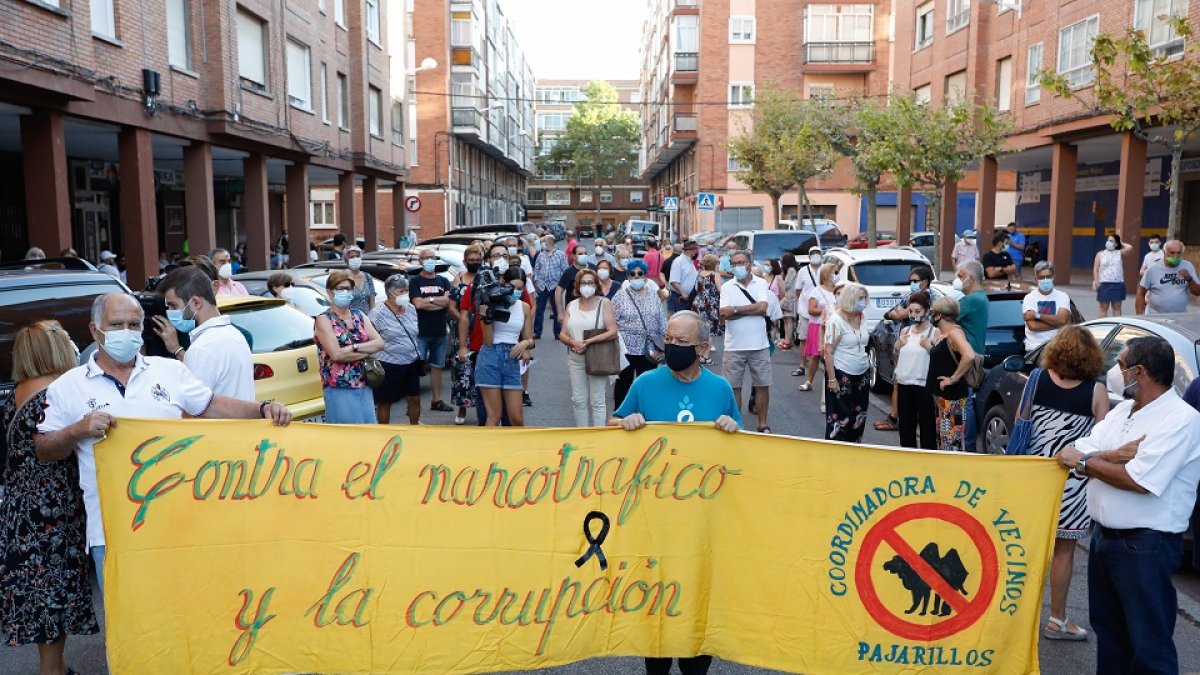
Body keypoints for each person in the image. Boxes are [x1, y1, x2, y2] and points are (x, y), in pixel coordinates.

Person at [35, 294, 292, 589]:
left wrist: (262, 410)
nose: (126, 331)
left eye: (133, 324)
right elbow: (44, 449)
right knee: (129, 626)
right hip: (112, 532)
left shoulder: (169, 371)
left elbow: (210, 405)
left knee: (186, 616)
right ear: (95, 330)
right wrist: (76, 430)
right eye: (116, 324)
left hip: (180, 526)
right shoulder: (68, 386)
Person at [1056, 336, 1200, 674]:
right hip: (1104, 540)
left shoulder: (1180, 420)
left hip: (1146, 546)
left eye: (1120, 366)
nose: (1114, 373)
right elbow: (1075, 449)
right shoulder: (1123, 410)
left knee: (1149, 646)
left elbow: (1138, 481)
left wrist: (1085, 462)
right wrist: (1106, 457)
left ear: (1140, 371)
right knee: (1110, 638)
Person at [607, 310, 738, 675]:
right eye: (668, 339)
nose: (671, 346)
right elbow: (610, 425)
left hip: (703, 523)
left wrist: (731, 427)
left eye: (681, 342)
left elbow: (744, 451)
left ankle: (696, 662)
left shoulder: (721, 389)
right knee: (659, 608)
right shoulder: (645, 383)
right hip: (656, 521)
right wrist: (624, 422)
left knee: (697, 604)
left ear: (703, 348)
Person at [1, 322, 98, 673]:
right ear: (54, 349)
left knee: (42, 603)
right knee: (52, 599)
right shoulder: (55, 394)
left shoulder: (15, 393)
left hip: (20, 512)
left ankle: (55, 667)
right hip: (53, 515)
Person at [1021, 326, 1109, 642]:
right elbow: (1102, 442)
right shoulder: (1096, 392)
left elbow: (1022, 426)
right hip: (1072, 486)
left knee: (1026, 548)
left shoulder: (1036, 380)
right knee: (1063, 553)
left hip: (1033, 478)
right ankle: (1057, 621)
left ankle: (1016, 618)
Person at [151, 266, 255, 401]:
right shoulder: (235, 335)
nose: (170, 311)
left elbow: (194, 408)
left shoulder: (202, 348)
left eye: (173, 305)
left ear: (195, 303)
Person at [314, 271, 386, 423]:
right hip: (340, 386)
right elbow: (337, 355)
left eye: (348, 288)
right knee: (349, 437)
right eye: (340, 289)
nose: (345, 293)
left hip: (364, 383)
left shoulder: (359, 315)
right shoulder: (324, 320)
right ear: (329, 291)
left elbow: (380, 343)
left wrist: (352, 348)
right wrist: (365, 348)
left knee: (368, 432)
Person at [876, 266, 939, 432]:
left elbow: (907, 314)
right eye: (910, 281)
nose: (912, 283)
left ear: (925, 282)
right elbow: (889, 313)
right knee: (899, 382)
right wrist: (898, 314)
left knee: (918, 391)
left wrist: (902, 313)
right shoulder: (909, 296)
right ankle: (896, 418)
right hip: (904, 347)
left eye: (915, 281)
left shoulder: (932, 297)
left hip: (921, 352)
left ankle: (901, 419)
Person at [718, 250, 773, 433]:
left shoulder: (761, 283)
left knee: (762, 386)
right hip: (734, 346)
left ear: (749, 264)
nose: (736, 267)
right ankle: (737, 424)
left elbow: (763, 307)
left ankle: (762, 424)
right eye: (733, 263)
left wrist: (735, 310)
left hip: (759, 344)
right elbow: (724, 315)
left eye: (740, 262)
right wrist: (751, 309)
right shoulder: (727, 287)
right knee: (734, 388)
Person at [559, 269, 618, 427]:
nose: (587, 286)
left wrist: (589, 341)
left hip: (597, 357)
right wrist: (573, 342)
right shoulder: (572, 305)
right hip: (575, 358)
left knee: (597, 400)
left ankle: (598, 438)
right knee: (578, 400)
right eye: (584, 283)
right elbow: (562, 334)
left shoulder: (604, 303)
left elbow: (613, 331)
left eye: (590, 282)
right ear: (578, 285)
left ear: (596, 285)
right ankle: (582, 435)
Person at [476, 268, 535, 426]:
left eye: (520, 288)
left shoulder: (524, 308)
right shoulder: (491, 302)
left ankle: (514, 450)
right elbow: (488, 341)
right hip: (491, 356)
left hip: (512, 358)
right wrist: (487, 317)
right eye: (512, 287)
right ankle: (489, 451)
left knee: (517, 418)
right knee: (494, 416)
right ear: (503, 285)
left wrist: (525, 343)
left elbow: (530, 338)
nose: (515, 291)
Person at [612, 259, 668, 407]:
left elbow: (661, 318)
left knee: (647, 383)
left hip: (649, 349)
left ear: (645, 276)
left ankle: (646, 414)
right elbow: (611, 321)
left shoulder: (653, 295)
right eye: (632, 274)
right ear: (628, 277)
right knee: (623, 384)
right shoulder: (620, 296)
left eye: (640, 273)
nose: (636, 277)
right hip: (626, 349)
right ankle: (620, 415)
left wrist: (668, 340)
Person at [369, 275, 423, 425]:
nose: (405, 294)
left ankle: (414, 428)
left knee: (415, 398)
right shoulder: (377, 313)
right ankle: (384, 433)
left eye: (407, 290)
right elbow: (371, 338)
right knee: (385, 402)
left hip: (410, 361)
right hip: (388, 363)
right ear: (389, 293)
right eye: (401, 291)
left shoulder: (410, 309)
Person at [926, 296, 977, 452]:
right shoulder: (948, 333)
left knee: (951, 445)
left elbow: (969, 355)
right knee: (944, 443)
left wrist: (952, 379)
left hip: (952, 400)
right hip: (943, 400)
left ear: (939, 315)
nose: (931, 315)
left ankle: (952, 476)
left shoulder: (955, 333)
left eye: (933, 312)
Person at [823, 282, 871, 442]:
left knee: (859, 415)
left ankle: (855, 449)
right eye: (860, 298)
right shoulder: (835, 321)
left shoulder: (861, 317)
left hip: (862, 372)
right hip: (842, 372)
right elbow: (828, 351)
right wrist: (831, 379)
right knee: (840, 417)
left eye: (864, 298)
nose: (863, 302)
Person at [410, 249, 454, 412]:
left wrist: (428, 301)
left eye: (432, 258)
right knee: (416, 368)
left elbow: (448, 303)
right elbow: (418, 304)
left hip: (439, 331)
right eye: (426, 258)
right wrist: (437, 301)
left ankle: (436, 400)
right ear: (420, 261)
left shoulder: (443, 281)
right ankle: (413, 402)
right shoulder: (415, 281)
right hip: (420, 331)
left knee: (437, 366)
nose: (430, 260)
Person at [893, 292, 938, 449]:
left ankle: (927, 460)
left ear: (926, 311)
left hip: (924, 385)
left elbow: (938, 358)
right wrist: (898, 345)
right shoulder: (905, 331)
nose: (913, 315)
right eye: (911, 311)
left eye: (917, 311)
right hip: (904, 383)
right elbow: (897, 355)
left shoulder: (933, 332)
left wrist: (930, 347)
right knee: (906, 426)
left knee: (927, 427)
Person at [954, 260, 989, 452]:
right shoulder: (981, 298)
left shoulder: (970, 301)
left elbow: (945, 314)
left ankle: (966, 447)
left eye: (960, 276)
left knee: (965, 403)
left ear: (971, 278)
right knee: (969, 402)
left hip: (968, 357)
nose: (957, 280)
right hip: (977, 356)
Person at [450, 245, 485, 425]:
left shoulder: (485, 279)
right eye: (471, 261)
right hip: (462, 333)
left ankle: (485, 408)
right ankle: (462, 408)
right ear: (464, 262)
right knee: (463, 371)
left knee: (483, 371)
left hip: (484, 331)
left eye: (478, 260)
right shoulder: (459, 279)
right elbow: (451, 306)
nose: (475, 263)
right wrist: (466, 324)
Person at [799, 263, 838, 392]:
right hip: (818, 325)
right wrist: (827, 311)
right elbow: (811, 309)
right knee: (815, 355)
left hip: (834, 326)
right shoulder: (816, 291)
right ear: (827, 274)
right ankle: (809, 381)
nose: (837, 275)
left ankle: (832, 380)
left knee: (832, 354)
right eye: (834, 272)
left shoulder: (838, 290)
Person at [1137, 239, 1200, 314]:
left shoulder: (1187, 266)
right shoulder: (1153, 269)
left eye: (1179, 253)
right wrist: (1140, 315)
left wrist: (1189, 279)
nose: (1175, 256)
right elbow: (1141, 294)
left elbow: (1197, 292)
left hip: (1179, 317)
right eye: (1172, 253)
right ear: (1164, 252)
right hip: (1155, 316)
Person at [1023, 261, 1071, 352]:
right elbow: (1033, 326)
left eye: (1048, 276)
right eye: (1041, 277)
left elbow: (1062, 320)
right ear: (1036, 279)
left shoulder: (1063, 296)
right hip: (1035, 348)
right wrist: (1058, 324)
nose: (1045, 280)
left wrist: (1037, 315)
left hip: (1058, 347)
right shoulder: (1029, 298)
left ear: (1053, 277)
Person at [792, 249, 823, 377]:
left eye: (818, 253)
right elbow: (798, 290)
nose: (815, 256)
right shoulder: (803, 272)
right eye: (813, 254)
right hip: (806, 312)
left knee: (820, 339)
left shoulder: (824, 270)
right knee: (803, 338)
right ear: (809, 256)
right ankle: (801, 365)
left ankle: (817, 364)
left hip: (821, 312)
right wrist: (806, 301)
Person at [532, 234, 568, 339]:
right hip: (542, 286)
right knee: (539, 310)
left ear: (550, 242)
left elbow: (564, 270)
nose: (542, 243)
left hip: (555, 286)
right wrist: (537, 282)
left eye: (544, 241)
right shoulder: (541, 255)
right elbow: (536, 269)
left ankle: (557, 332)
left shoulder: (561, 254)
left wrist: (560, 285)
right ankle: (537, 332)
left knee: (557, 309)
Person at [1093, 234, 1134, 317]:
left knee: (1117, 307)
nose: (1109, 242)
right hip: (1104, 283)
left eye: (1111, 241)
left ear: (1116, 244)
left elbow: (1130, 247)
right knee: (1103, 307)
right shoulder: (1100, 254)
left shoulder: (1119, 253)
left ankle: (1116, 325)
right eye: (1108, 240)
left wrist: (1121, 242)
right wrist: (1096, 281)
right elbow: (1096, 269)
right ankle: (1102, 326)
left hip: (1117, 283)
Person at [691, 254, 724, 347]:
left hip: (699, 302)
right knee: (710, 327)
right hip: (711, 304)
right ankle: (707, 350)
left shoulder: (700, 273)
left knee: (700, 326)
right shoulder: (715, 275)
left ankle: (699, 346)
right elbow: (720, 289)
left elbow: (696, 288)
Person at [555, 243, 592, 318]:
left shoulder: (593, 269)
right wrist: (560, 312)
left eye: (585, 253)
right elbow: (558, 291)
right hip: (573, 311)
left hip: (591, 309)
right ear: (573, 256)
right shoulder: (569, 272)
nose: (584, 256)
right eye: (580, 254)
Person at [668, 241, 700, 314]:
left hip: (687, 298)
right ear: (689, 251)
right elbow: (674, 281)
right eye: (695, 250)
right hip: (679, 297)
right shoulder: (678, 261)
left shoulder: (689, 261)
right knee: (679, 321)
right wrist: (683, 293)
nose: (696, 252)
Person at [343, 246, 377, 314]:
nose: (355, 258)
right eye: (352, 257)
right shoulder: (343, 278)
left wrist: (373, 319)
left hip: (367, 320)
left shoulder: (367, 277)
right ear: (347, 260)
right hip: (351, 320)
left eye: (357, 256)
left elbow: (372, 303)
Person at [779, 254, 799, 350]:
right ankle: (787, 339)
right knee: (786, 320)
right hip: (790, 298)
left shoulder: (791, 270)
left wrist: (783, 274)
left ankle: (787, 340)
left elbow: (786, 284)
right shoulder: (793, 270)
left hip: (790, 298)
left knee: (789, 320)